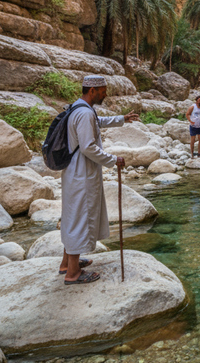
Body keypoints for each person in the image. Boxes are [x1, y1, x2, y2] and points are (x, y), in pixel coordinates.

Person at [59, 75, 139, 285]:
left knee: (72, 216)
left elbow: (97, 122)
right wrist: (113, 160)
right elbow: (88, 147)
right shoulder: (84, 113)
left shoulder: (79, 108)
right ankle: (73, 274)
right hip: (81, 173)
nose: (105, 94)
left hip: (74, 172)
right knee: (80, 218)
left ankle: (67, 263)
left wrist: (122, 119)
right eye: (103, 90)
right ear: (92, 90)